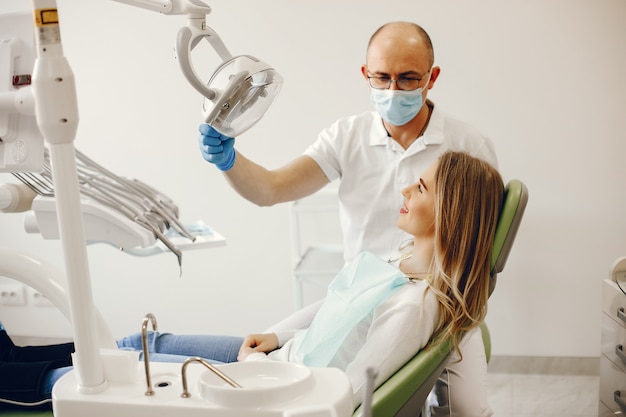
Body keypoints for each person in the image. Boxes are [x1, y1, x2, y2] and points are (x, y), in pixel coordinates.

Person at [1, 152, 502, 414]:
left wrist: (260, 373)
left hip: (278, 387)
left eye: (421, 187)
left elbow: (344, 392)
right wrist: (277, 336)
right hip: (283, 358)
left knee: (98, 380)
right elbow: (337, 301)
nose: (404, 188)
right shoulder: (404, 259)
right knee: (136, 344)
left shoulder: (416, 307)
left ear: (453, 214)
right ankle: (10, 358)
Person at [198, 21, 499, 416]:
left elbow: (478, 243)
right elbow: (271, 189)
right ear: (365, 75)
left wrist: (452, 312)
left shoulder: (468, 148)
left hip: (414, 298)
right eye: (382, 77)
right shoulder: (347, 136)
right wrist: (229, 162)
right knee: (274, 339)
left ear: (432, 77)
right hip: (362, 289)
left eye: (408, 78)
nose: (393, 89)